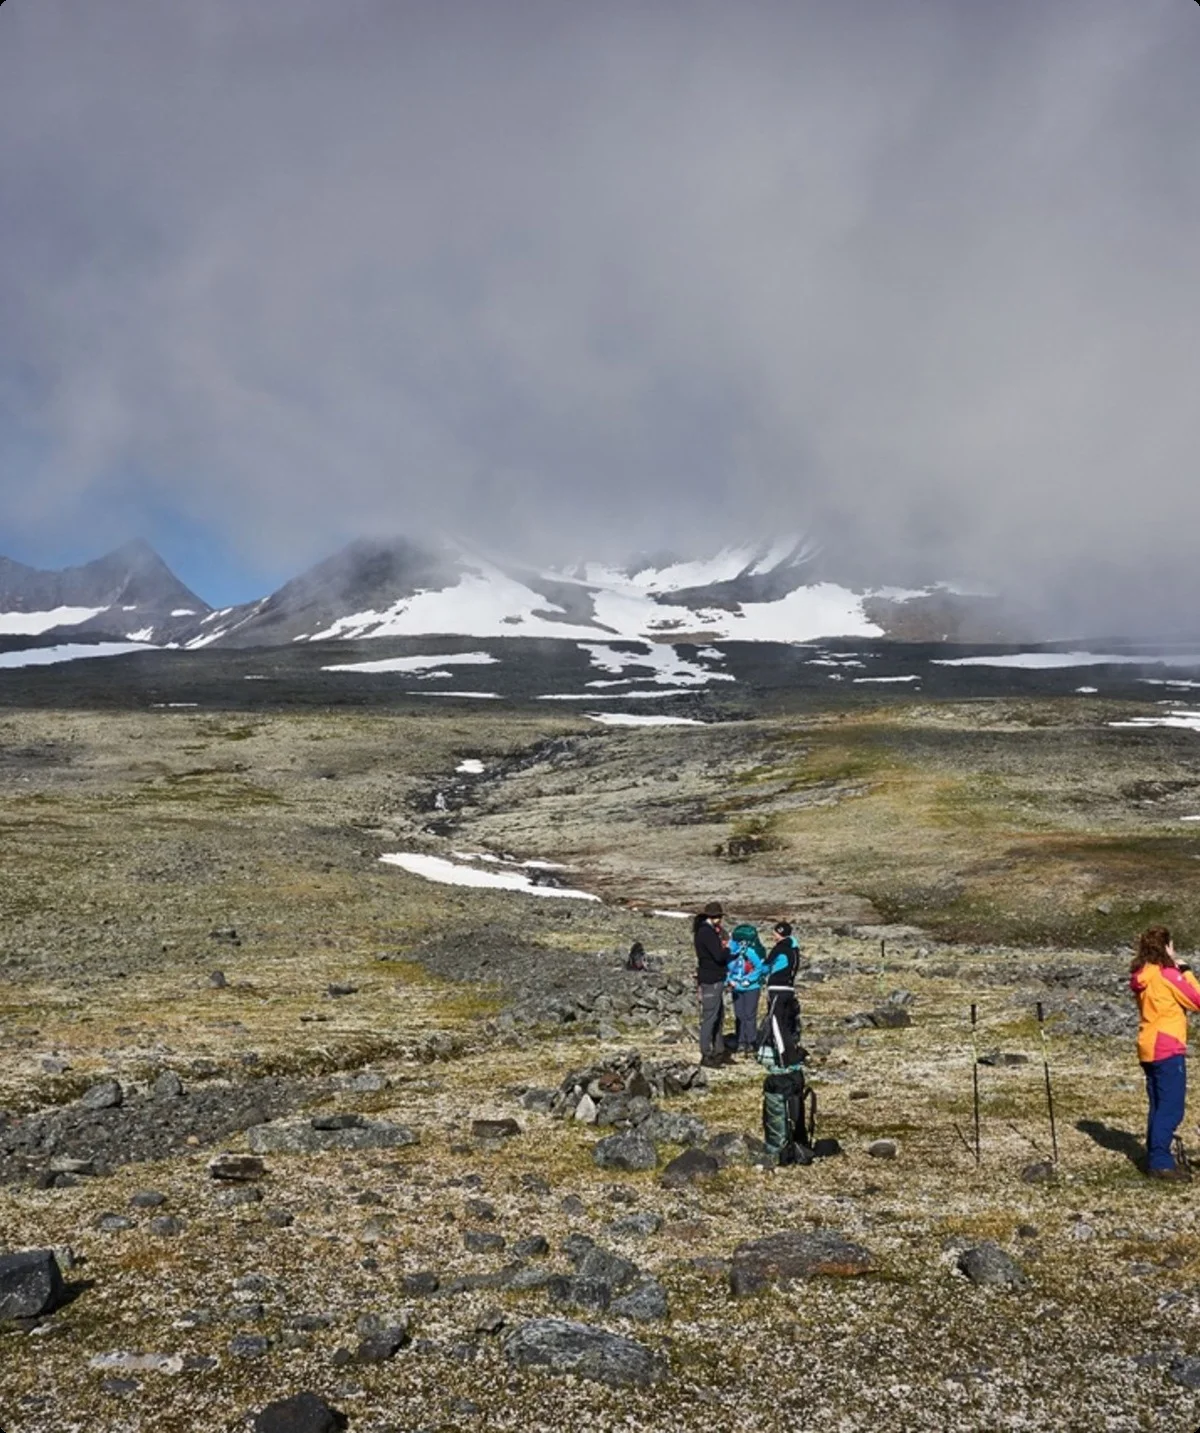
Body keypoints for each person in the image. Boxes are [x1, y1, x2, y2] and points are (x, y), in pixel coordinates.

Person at [1130, 925, 1200, 1181]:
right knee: (1171, 1108)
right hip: (1167, 1045)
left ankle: (1156, 1156)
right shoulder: (1167, 974)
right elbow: (1197, 1000)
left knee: (1158, 1105)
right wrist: (1186, 971)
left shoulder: (1142, 974)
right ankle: (1160, 1162)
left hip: (1148, 1044)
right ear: (1166, 947)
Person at [759, 921, 802, 1068]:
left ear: (779, 933)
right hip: (789, 989)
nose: (773, 935)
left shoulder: (780, 948)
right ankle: (792, 1057)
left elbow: (765, 967)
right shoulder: (794, 949)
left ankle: (784, 1061)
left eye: (775, 932)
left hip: (777, 988)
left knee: (776, 1024)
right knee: (785, 1025)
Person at [693, 901, 731, 1067]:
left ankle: (718, 1050)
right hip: (712, 978)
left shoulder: (704, 931)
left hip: (711, 977)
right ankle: (707, 1054)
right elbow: (718, 956)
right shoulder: (707, 933)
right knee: (711, 1017)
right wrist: (728, 949)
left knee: (717, 1015)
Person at [726, 923, 766, 1057]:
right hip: (737, 986)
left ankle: (751, 1041)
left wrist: (749, 979)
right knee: (739, 1014)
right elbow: (726, 968)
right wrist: (729, 980)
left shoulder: (750, 952)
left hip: (751, 987)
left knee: (749, 1014)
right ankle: (741, 1040)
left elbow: (759, 967)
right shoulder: (731, 953)